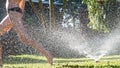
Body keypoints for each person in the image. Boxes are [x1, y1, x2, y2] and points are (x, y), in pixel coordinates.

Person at [0, 0, 53, 66]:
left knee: (24, 38)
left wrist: (16, 18)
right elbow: (22, 5)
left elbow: (22, 4)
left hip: (13, 12)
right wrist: (13, 18)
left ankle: (47, 53)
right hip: (12, 13)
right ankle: (0, 63)